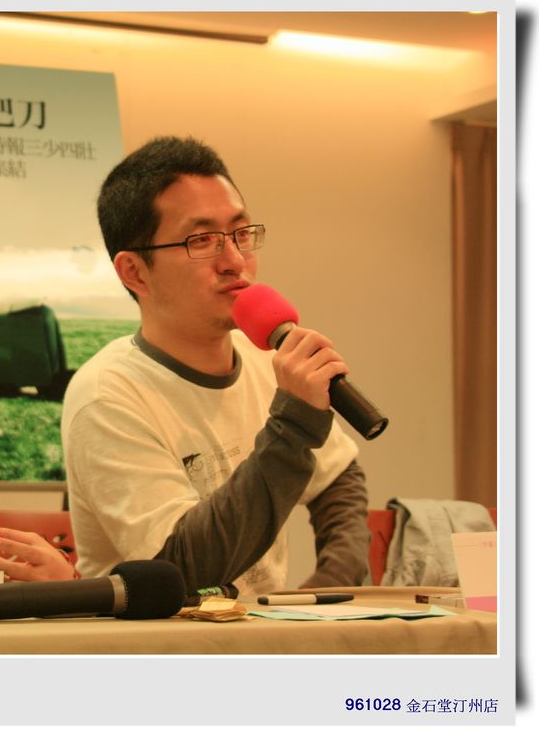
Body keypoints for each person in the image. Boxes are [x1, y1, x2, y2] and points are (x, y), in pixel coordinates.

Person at [54, 136, 370, 595]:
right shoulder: (107, 395)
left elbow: (340, 479)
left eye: (240, 233)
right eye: (201, 240)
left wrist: (326, 591)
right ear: (135, 272)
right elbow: (180, 571)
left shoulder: (266, 358)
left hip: (268, 632)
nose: (235, 261)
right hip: (164, 637)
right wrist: (294, 426)